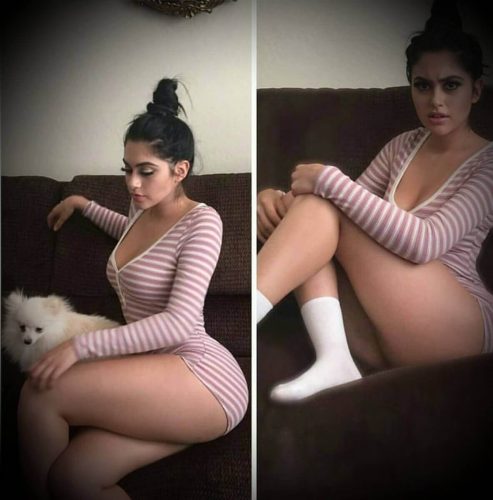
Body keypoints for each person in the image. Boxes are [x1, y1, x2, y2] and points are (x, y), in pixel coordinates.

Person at [18, 78, 249, 499]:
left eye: (146, 171)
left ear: (180, 171)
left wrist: (80, 348)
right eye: (127, 169)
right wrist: (84, 205)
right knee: (73, 479)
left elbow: (179, 323)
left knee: (39, 393)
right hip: (159, 376)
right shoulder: (140, 208)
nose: (132, 183)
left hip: (204, 377)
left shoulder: (203, 222)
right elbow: (133, 237)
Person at [256, 1, 493, 403]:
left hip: (455, 330)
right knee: (317, 209)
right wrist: (271, 198)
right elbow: (332, 217)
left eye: (451, 85)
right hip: (382, 331)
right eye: (423, 86)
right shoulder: (402, 146)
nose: (436, 100)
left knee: (326, 197)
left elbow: (425, 242)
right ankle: (335, 357)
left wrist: (327, 180)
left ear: (476, 90)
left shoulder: (488, 162)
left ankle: (245, 317)